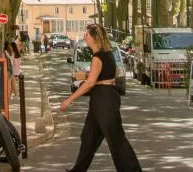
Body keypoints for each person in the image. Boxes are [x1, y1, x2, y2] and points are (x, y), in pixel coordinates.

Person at [59, 23, 141, 172]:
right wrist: (88, 77)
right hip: (102, 99)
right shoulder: (108, 53)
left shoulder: (98, 57)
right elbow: (106, 76)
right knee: (88, 137)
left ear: (94, 38)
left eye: (87, 35)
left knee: (116, 140)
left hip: (104, 101)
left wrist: (69, 100)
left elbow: (90, 83)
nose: (85, 38)